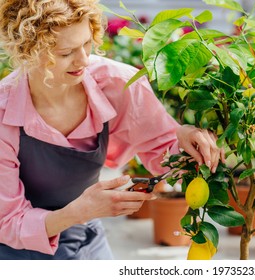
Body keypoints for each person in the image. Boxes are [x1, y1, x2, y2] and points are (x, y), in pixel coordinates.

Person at [0, 0, 224, 260]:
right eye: (65, 53)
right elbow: (7, 221)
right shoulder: (5, 113)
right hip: (16, 253)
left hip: (88, 240)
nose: (83, 60)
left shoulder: (116, 83)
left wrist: (184, 139)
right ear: (27, 50)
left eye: (86, 43)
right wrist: (80, 212)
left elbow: (165, 153)